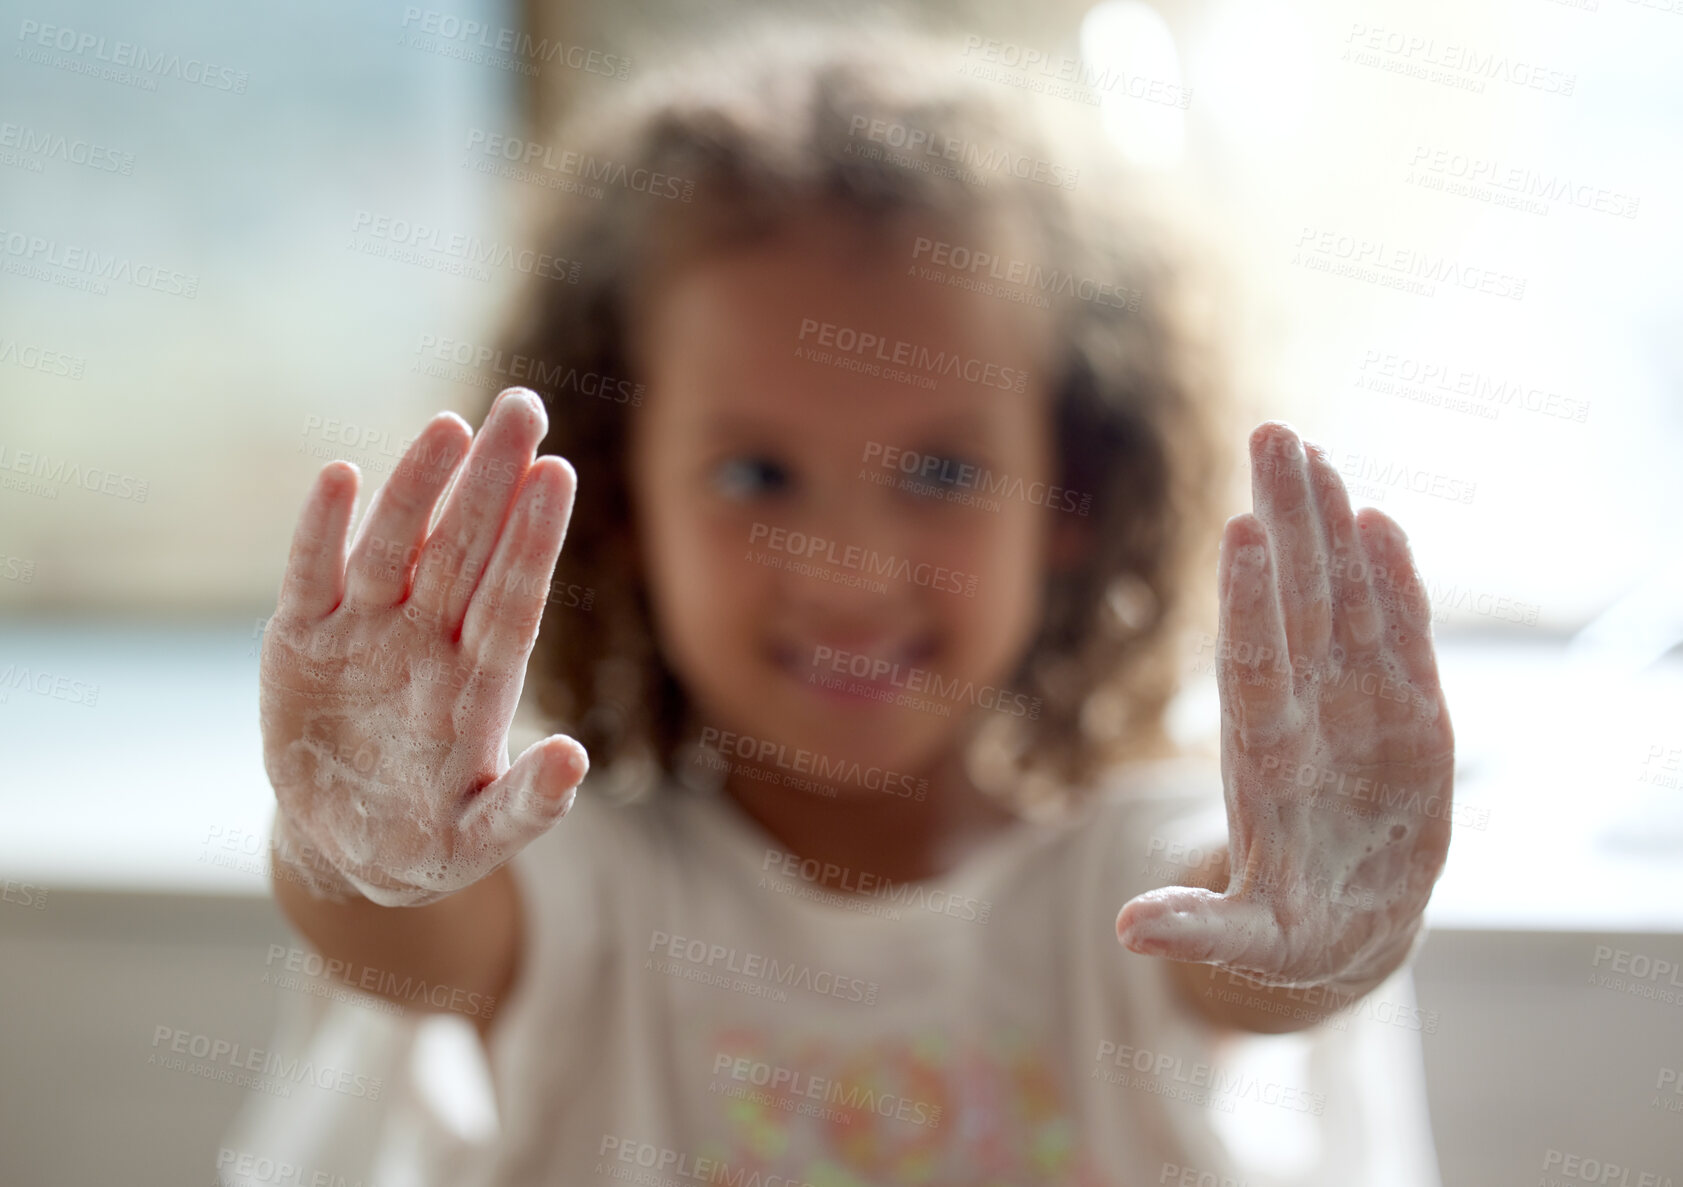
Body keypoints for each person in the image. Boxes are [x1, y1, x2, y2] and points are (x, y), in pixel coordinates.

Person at [243, 20, 1453, 1187]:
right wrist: (351, 850)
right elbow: (400, 935)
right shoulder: (589, 888)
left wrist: (1326, 927)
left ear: (1071, 493)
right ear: (617, 502)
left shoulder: (1135, 884)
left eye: (941, 473)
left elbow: (1256, 951)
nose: (850, 570)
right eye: (754, 474)